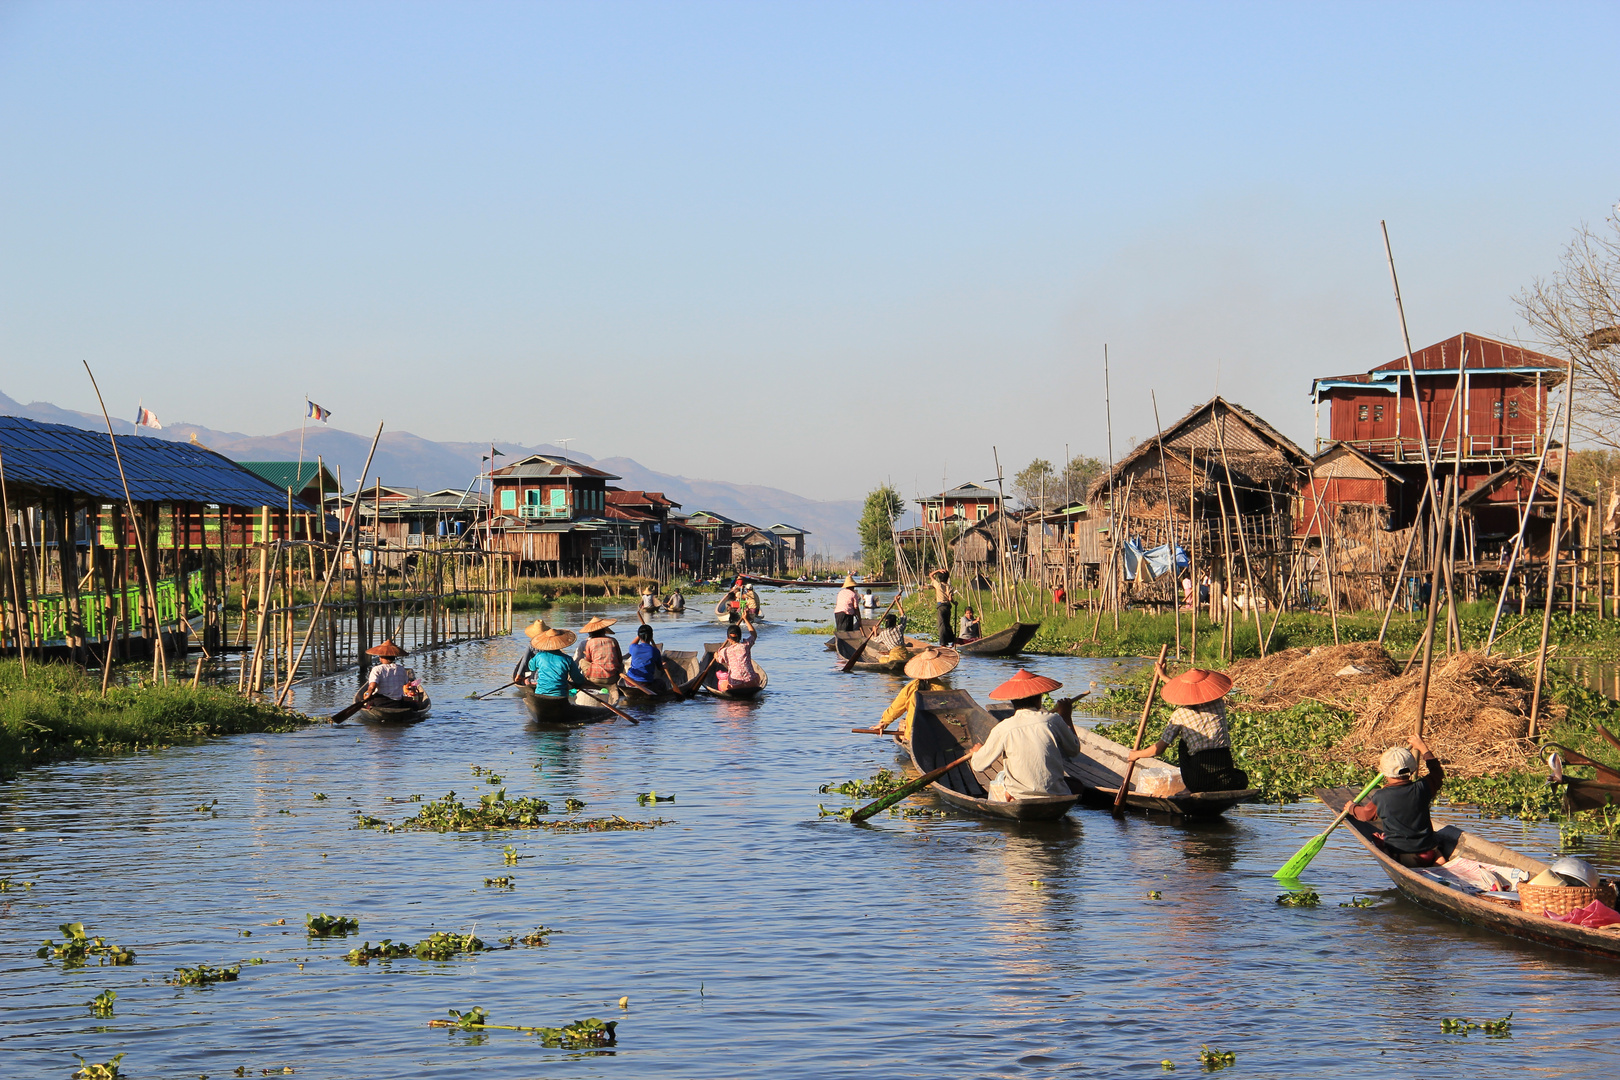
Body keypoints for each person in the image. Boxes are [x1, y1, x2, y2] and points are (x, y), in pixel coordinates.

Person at [1127, 667, 1250, 793]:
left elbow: (1159, 749)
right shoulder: (1218, 703)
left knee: (1182, 744)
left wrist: (1136, 754)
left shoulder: (1179, 715)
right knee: (1242, 777)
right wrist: (1163, 676)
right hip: (1227, 781)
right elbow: (1194, 692)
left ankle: (1187, 789)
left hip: (1198, 783)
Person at [970, 669, 1081, 801]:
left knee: (1000, 776)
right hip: (1057, 794)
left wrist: (977, 753)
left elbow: (978, 765)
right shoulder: (1053, 720)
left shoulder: (1004, 728)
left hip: (1019, 797)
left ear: (1013, 701)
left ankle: (1008, 797)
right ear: (1038, 700)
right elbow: (1074, 750)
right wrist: (1066, 717)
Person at [1348, 737, 1449, 866]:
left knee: (1380, 840)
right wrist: (1423, 748)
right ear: (1412, 770)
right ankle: (1439, 861)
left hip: (1401, 854)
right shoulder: (1423, 787)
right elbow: (1437, 773)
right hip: (1427, 852)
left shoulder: (1381, 796)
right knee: (1436, 848)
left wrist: (1352, 808)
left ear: (1384, 773)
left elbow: (1365, 815)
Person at [526, 622, 588, 698]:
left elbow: (531, 667)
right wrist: (579, 685)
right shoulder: (567, 659)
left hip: (540, 693)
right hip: (560, 694)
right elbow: (578, 679)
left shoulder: (539, 656)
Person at [712, 612, 761, 693]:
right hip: (752, 683)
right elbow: (754, 634)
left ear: (728, 638)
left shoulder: (724, 651)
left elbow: (719, 660)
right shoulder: (746, 645)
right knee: (758, 676)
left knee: (722, 684)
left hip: (736, 686)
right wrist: (745, 619)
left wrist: (716, 655)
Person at [624, 623, 672, 694]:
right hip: (645, 683)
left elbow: (632, 643)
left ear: (639, 636)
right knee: (661, 683)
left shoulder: (633, 648)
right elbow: (660, 667)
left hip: (629, 681)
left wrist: (639, 635)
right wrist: (664, 666)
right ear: (651, 636)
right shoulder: (655, 651)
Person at [574, 617, 623, 687]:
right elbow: (620, 659)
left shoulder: (589, 642)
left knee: (582, 661)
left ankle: (585, 679)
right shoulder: (613, 640)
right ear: (604, 631)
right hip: (613, 678)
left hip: (595, 678)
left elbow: (588, 660)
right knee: (622, 665)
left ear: (590, 632)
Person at [363, 640, 410, 705]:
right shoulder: (401, 669)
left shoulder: (377, 669)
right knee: (414, 705)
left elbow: (372, 687)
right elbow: (406, 683)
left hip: (381, 702)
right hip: (398, 702)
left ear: (381, 657)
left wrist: (367, 695)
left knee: (368, 704)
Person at [930, 568, 954, 646]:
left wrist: (938, 570)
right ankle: (951, 640)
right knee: (947, 624)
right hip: (948, 607)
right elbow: (950, 599)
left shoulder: (938, 585)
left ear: (940, 578)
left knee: (941, 625)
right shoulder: (949, 586)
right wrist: (954, 602)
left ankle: (943, 643)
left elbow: (930, 575)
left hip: (941, 606)